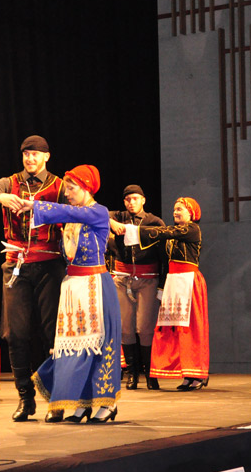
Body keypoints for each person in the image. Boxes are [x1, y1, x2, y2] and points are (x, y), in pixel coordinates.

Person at [19, 165, 122, 423]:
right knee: (71, 348)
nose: (67, 193)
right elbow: (68, 217)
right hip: (72, 286)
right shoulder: (74, 218)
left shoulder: (97, 212)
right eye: (66, 188)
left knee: (99, 346)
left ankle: (107, 404)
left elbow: (69, 211)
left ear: (87, 187)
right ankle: (80, 402)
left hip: (95, 286)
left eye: (73, 187)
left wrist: (35, 206)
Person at [0, 135, 66, 422]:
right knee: (14, 333)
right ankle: (25, 397)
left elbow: (79, 208)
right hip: (16, 264)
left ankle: (56, 398)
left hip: (50, 264)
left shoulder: (59, 184)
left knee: (51, 333)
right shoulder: (9, 182)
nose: (30, 159)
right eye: (26, 154)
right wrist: (0, 197)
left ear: (46, 157)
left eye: (35, 154)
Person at [123, 197, 209, 391]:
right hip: (174, 282)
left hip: (189, 281)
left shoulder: (191, 229)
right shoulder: (173, 234)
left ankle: (196, 374)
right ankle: (187, 374)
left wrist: (134, 231)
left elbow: (164, 232)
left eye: (180, 209)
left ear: (191, 213)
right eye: (174, 209)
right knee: (175, 330)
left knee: (190, 329)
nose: (176, 212)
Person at [107, 185, 166, 390]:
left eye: (135, 198)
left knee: (145, 327)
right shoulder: (119, 216)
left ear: (143, 200)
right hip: (123, 279)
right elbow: (95, 212)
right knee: (125, 328)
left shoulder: (154, 221)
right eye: (127, 199)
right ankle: (132, 374)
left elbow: (163, 255)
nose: (131, 202)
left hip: (148, 278)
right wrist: (112, 222)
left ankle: (150, 374)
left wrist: (162, 284)